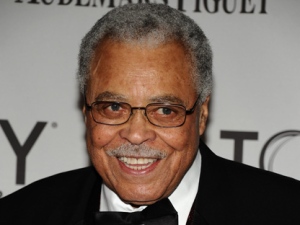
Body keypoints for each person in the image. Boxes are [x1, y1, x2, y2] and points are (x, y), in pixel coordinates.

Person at [1, 3, 300, 225]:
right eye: (114, 107)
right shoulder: (20, 215)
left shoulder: (286, 212)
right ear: (86, 112)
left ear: (203, 114)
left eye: (166, 110)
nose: (136, 133)